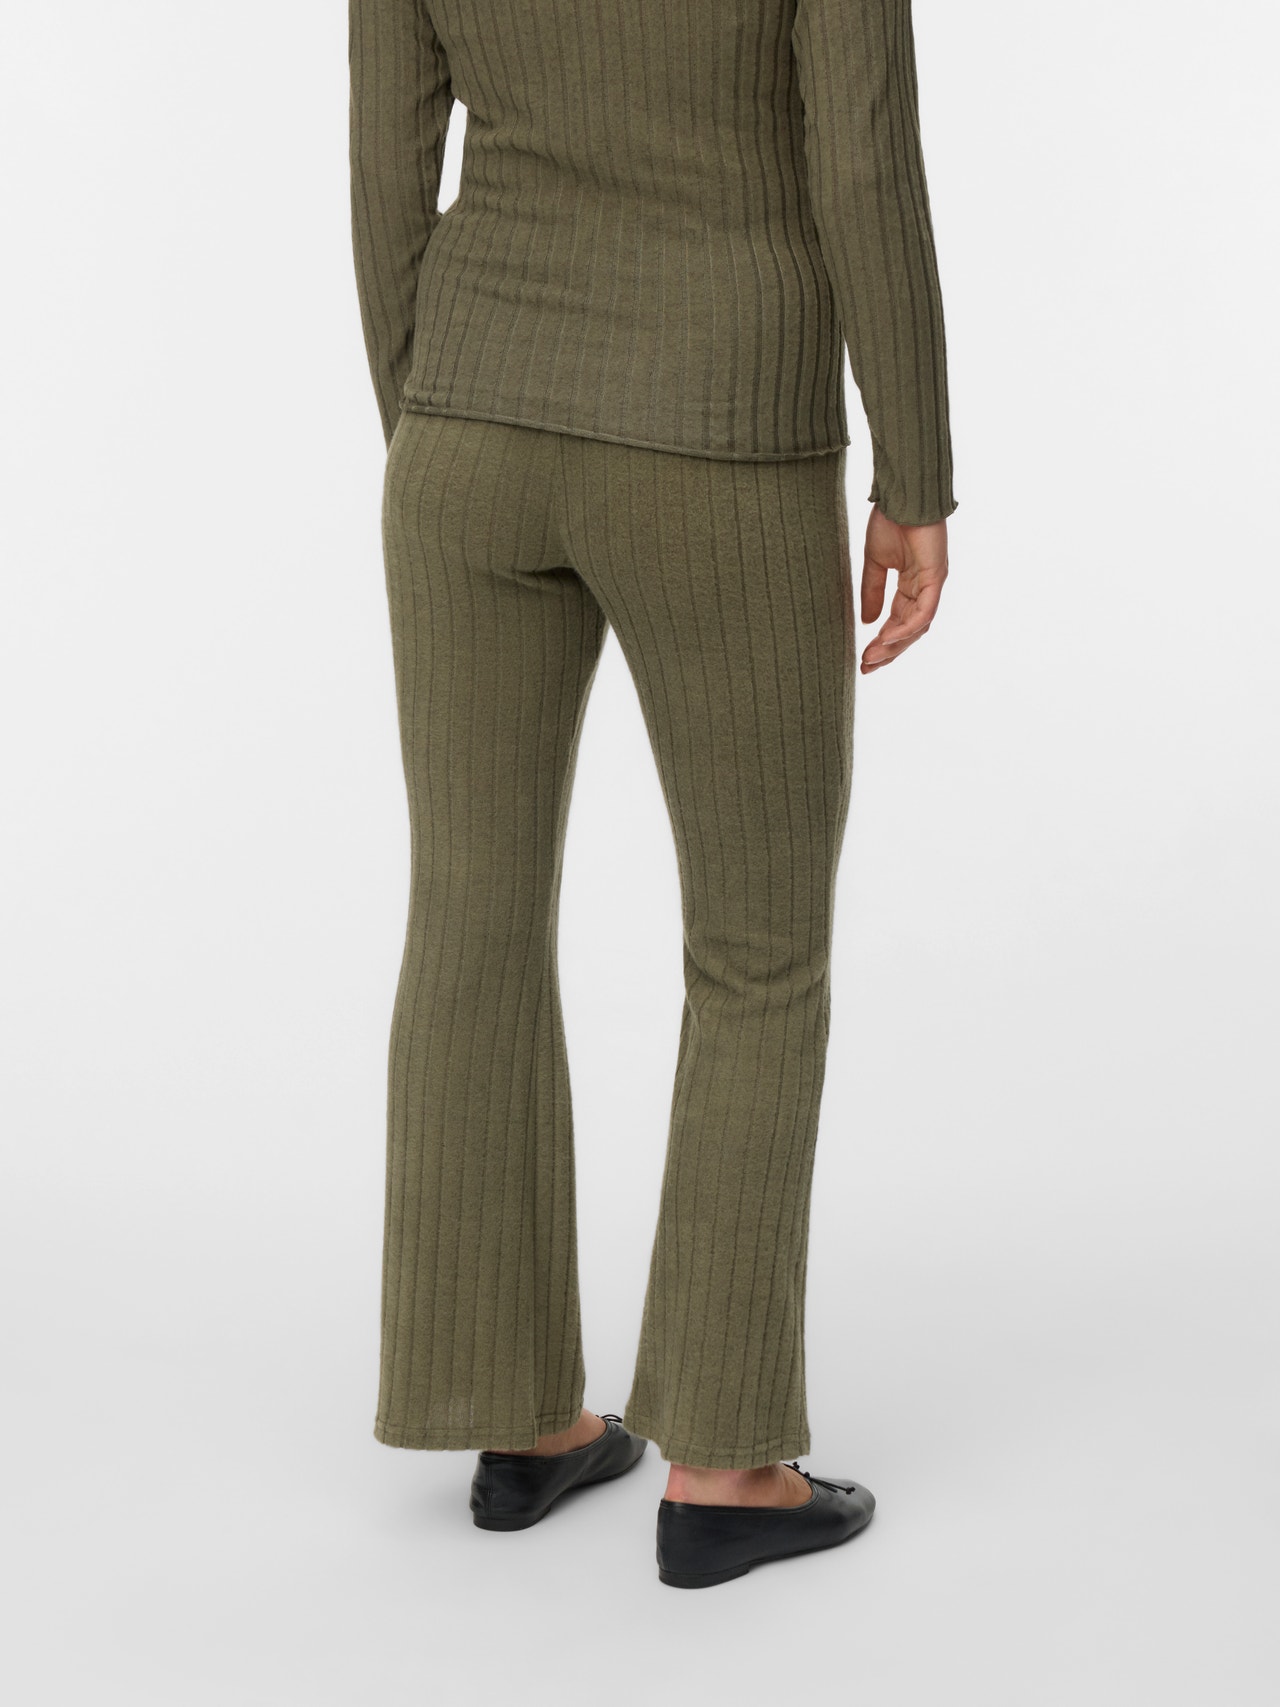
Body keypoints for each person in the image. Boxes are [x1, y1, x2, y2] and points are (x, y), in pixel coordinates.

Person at [348, 0, 956, 1588]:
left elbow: (387, 153)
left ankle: (516, 1417)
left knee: (470, 916)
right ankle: (729, 1466)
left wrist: (434, 403)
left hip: (468, 426)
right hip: (718, 425)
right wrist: (915, 471)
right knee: (758, 949)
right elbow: (864, 158)